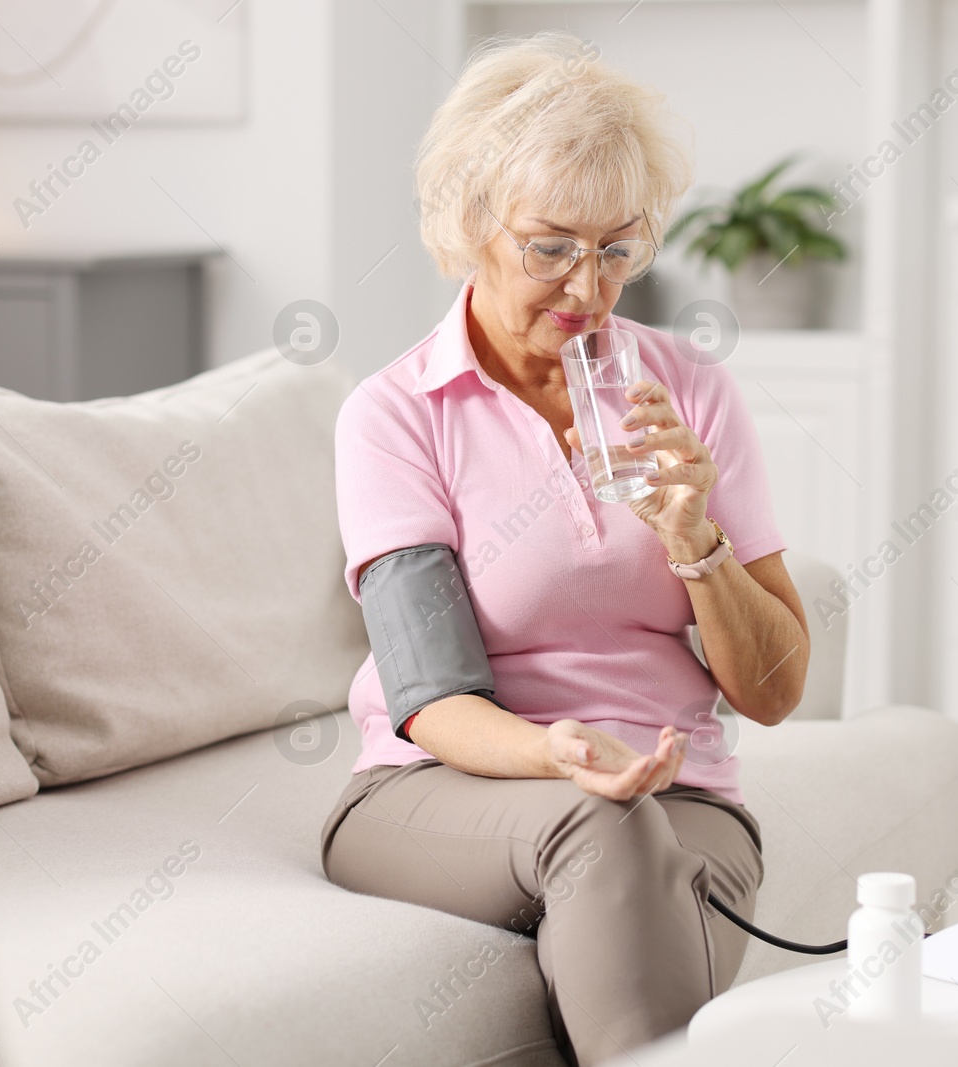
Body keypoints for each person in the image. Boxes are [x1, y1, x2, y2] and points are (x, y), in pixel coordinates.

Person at [319, 29, 810, 1067]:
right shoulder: (396, 415)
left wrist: (697, 539)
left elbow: (771, 692)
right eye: (549, 246)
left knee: (633, 849)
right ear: (469, 224)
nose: (586, 289)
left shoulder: (690, 391)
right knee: (607, 832)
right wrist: (556, 753)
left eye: (617, 249)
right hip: (436, 786)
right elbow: (428, 692)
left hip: (680, 795)